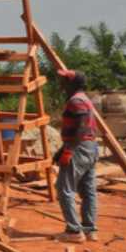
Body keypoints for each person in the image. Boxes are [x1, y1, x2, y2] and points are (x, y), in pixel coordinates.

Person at [53, 69, 99, 243]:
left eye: (64, 80)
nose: (61, 83)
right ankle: (90, 230)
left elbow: (81, 127)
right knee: (88, 191)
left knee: (64, 189)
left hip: (79, 148)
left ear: (73, 83)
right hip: (90, 147)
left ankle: (74, 232)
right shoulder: (84, 99)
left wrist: (69, 151)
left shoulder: (75, 101)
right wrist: (61, 150)